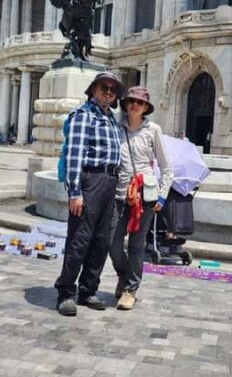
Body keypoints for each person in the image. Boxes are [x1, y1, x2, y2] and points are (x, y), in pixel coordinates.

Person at [54, 71, 124, 316]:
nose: (108, 92)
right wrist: (75, 192)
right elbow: (75, 155)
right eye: (104, 87)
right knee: (79, 239)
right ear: (93, 89)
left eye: (113, 90)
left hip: (109, 181)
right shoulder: (84, 115)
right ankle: (65, 291)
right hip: (90, 180)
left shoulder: (112, 119)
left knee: (102, 240)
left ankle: (88, 289)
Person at [109, 87, 173, 310]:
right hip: (120, 193)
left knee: (137, 245)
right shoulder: (116, 127)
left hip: (145, 195)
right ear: (125, 104)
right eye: (131, 101)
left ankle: (130, 289)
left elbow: (166, 168)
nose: (134, 105)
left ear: (146, 107)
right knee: (112, 243)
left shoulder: (153, 130)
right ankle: (124, 275)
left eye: (139, 102)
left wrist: (163, 197)